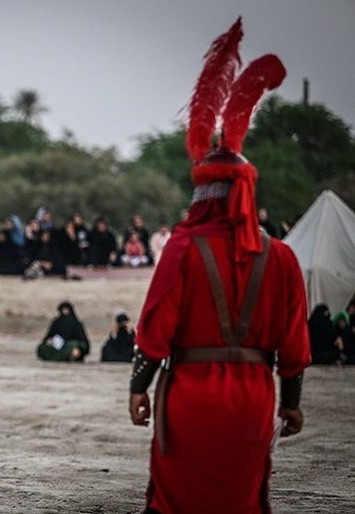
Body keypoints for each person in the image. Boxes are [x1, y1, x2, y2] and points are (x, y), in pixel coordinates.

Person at [128, 20, 310, 514]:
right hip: (253, 400)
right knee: (242, 499)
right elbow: (294, 345)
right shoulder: (283, 257)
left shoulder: (183, 248)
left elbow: (154, 330)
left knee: (175, 500)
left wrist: (138, 388)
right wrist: (291, 401)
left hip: (189, 398)